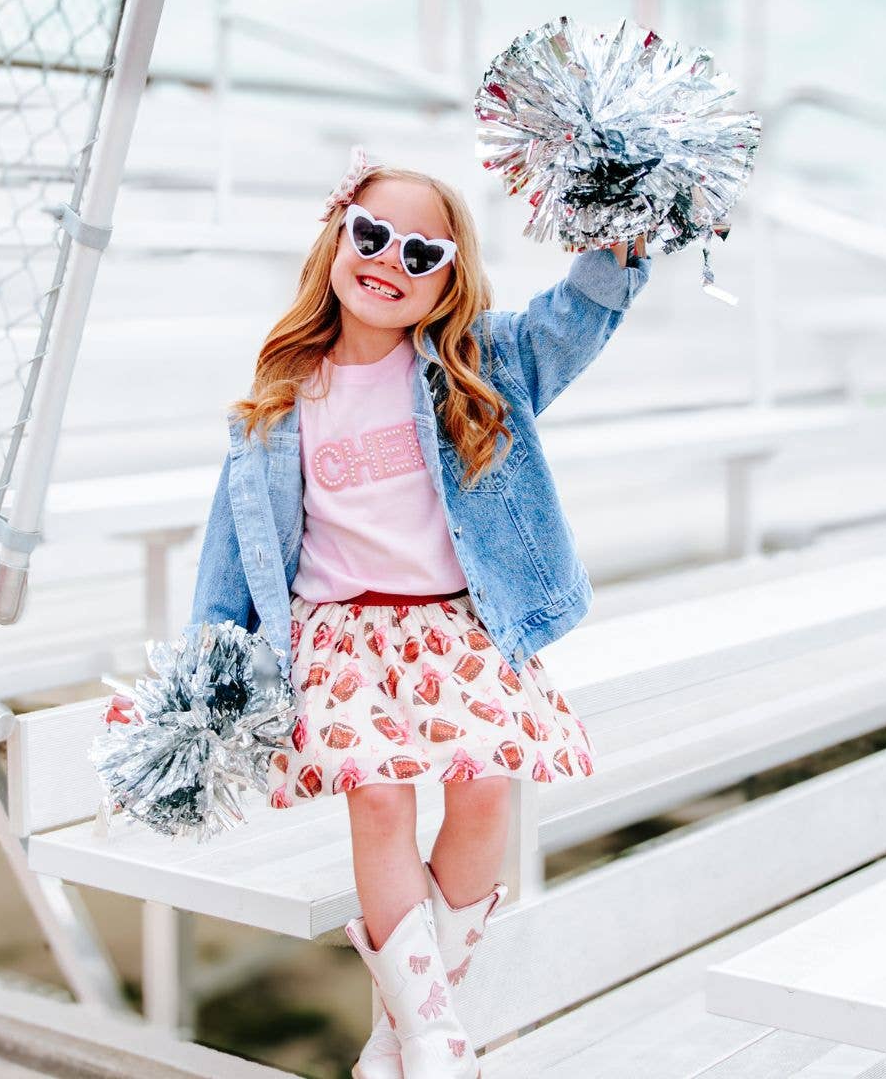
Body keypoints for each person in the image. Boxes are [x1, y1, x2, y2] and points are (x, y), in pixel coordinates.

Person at [189, 145, 652, 1078]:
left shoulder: (479, 367)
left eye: (421, 254)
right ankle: (440, 1037)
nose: (390, 261)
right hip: (341, 636)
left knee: (485, 790)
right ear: (336, 240)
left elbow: (575, 320)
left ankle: (400, 1031)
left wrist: (618, 244)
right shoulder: (281, 403)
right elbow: (229, 548)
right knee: (381, 801)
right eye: (372, 235)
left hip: (455, 626)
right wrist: (209, 667)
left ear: (447, 281)